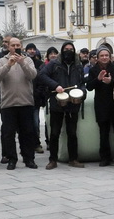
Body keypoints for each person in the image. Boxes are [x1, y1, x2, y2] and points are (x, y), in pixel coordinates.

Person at [37, 41, 86, 169]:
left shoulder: (78, 65)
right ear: (62, 51)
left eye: (71, 49)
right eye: (66, 49)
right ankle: (53, 159)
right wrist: (55, 86)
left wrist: (82, 93)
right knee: (54, 133)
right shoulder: (54, 64)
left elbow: (82, 83)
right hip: (57, 102)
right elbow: (41, 75)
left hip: (73, 103)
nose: (68, 51)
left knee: (72, 133)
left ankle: (73, 159)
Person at [0, 37, 38, 170]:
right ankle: (12, 159)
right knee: (8, 134)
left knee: (28, 133)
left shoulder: (27, 59)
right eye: (13, 45)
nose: (15, 47)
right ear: (9, 47)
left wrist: (22, 63)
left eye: (18, 45)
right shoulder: (2, 61)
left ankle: (29, 158)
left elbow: (33, 75)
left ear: (21, 46)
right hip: (8, 104)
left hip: (26, 103)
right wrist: (8, 65)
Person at [86, 46, 114, 166]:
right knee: (103, 133)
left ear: (110, 57)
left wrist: (111, 81)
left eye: (106, 55)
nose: (104, 58)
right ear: (97, 58)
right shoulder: (93, 70)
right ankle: (105, 157)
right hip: (101, 105)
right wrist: (98, 80)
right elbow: (89, 87)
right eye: (102, 56)